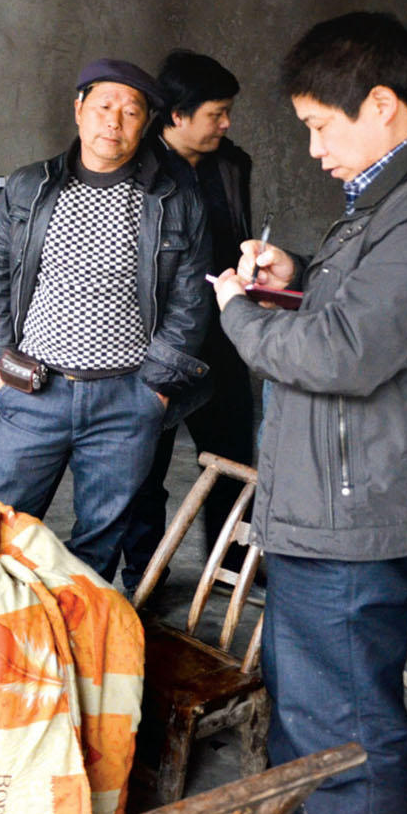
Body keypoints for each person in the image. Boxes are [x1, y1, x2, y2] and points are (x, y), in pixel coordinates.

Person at [209, 12, 407, 814]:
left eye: (315, 125)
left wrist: (238, 313)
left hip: (359, 512)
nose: (311, 148)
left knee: (345, 738)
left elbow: (345, 354)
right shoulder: (402, 189)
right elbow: (381, 310)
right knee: (314, 712)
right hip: (346, 496)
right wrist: (297, 276)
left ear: (379, 103)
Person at [0, 57, 212, 585]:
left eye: (131, 112)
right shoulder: (29, 187)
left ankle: (84, 646)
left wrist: (156, 388)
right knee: (0, 526)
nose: (115, 122)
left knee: (100, 540)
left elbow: (191, 299)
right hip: (34, 391)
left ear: (145, 124)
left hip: (126, 399)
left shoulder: (174, 200)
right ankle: (4, 639)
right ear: (79, 109)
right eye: (104, 106)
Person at [121, 51, 257, 588]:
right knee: (143, 468)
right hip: (154, 343)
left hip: (222, 336)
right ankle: (143, 576)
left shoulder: (231, 163)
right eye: (215, 114)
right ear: (176, 114)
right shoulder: (134, 169)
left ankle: (229, 569)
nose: (225, 125)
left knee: (233, 461)